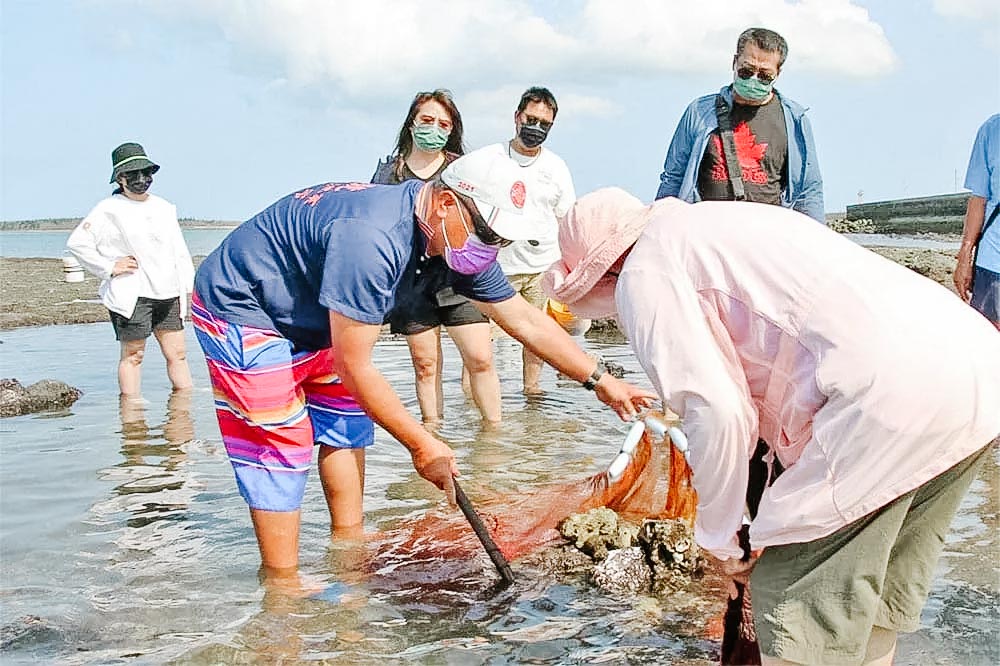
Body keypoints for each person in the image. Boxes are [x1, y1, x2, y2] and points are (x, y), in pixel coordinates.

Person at [543, 188, 1000, 666]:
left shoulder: (644, 270)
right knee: (865, 607)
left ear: (604, 273)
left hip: (883, 398)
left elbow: (717, 413)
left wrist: (720, 541)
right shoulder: (721, 223)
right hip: (973, 370)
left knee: (795, 603)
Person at [191, 147, 655, 579]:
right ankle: (282, 581)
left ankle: (348, 545)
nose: (492, 249)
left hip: (320, 313)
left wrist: (600, 380)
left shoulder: (459, 242)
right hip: (244, 305)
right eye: (490, 234)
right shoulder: (373, 240)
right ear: (447, 204)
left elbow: (522, 319)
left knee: (347, 423)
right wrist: (421, 443)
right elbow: (357, 368)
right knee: (280, 440)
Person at [372, 90, 502, 425]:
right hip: (413, 284)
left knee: (480, 358)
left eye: (443, 123)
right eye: (427, 121)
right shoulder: (389, 174)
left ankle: (495, 439)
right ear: (412, 123)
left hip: (460, 278)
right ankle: (433, 435)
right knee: (425, 365)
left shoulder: (462, 171)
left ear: (452, 129)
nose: (435, 128)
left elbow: (485, 221)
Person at [655, 27, 824, 222]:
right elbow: (673, 176)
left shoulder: (795, 120)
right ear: (734, 62)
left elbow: (809, 189)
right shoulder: (699, 111)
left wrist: (818, 243)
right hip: (706, 229)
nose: (753, 79)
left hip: (766, 233)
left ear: (778, 73)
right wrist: (657, 226)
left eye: (764, 76)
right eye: (746, 71)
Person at [67, 142, 194, 398]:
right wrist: (110, 267)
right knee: (134, 355)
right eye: (133, 174)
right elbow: (77, 243)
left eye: (146, 173)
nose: (141, 179)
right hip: (134, 294)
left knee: (178, 354)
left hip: (169, 292)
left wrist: (190, 287)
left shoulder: (164, 207)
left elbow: (179, 250)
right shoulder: (108, 209)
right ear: (120, 178)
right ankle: (132, 420)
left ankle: (185, 416)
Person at [488, 86, 576, 394]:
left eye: (544, 124)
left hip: (542, 267)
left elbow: (568, 219)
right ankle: (475, 407)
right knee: (479, 347)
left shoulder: (556, 167)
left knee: (537, 340)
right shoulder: (492, 160)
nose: (535, 127)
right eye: (531, 119)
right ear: (517, 117)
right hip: (497, 268)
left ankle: (533, 397)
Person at [954, 113, 1000, 329]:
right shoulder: (991, 130)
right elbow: (978, 199)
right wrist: (964, 258)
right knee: (988, 348)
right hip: (992, 266)